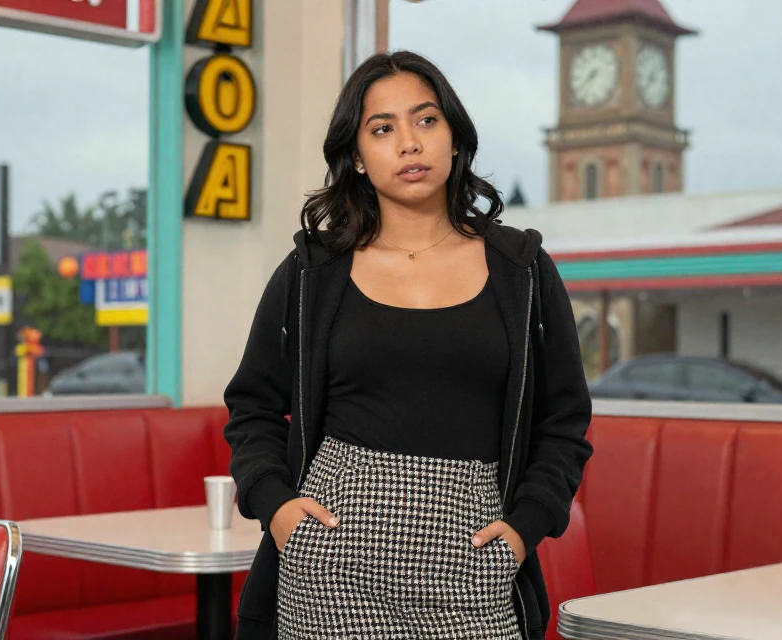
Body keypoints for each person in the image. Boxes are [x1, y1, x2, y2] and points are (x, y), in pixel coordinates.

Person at [223, 50, 593, 640]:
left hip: (476, 562)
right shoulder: (312, 271)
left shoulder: (520, 269)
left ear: (454, 139)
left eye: (426, 120)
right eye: (382, 128)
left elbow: (565, 419)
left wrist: (525, 527)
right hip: (329, 563)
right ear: (359, 159)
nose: (409, 143)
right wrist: (279, 508)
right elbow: (252, 406)